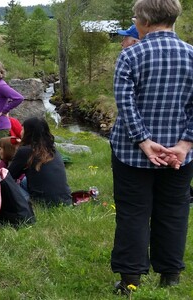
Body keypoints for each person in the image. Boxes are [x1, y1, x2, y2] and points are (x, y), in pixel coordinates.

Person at [110, 0, 193, 294]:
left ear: (143, 21)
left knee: (133, 211)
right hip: (178, 155)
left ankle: (130, 279)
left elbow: (126, 104)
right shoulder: (192, 55)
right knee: (174, 210)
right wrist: (185, 144)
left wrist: (144, 141)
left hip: (131, 151)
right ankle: (170, 276)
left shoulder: (131, 55)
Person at [6, 118, 71, 206]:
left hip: (42, 203)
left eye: (22, 129)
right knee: (25, 180)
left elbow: (8, 177)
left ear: (28, 132)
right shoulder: (53, 150)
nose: (20, 132)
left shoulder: (25, 151)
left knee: (8, 186)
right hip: (66, 200)